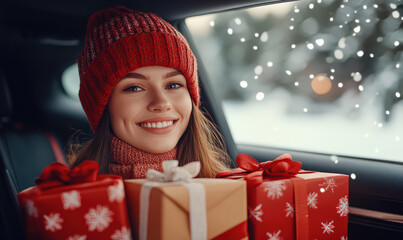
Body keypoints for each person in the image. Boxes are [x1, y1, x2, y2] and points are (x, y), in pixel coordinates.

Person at [69, 6, 230, 178]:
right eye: (134, 88)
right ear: (102, 106)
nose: (161, 103)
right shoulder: (72, 199)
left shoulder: (231, 188)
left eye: (173, 85)